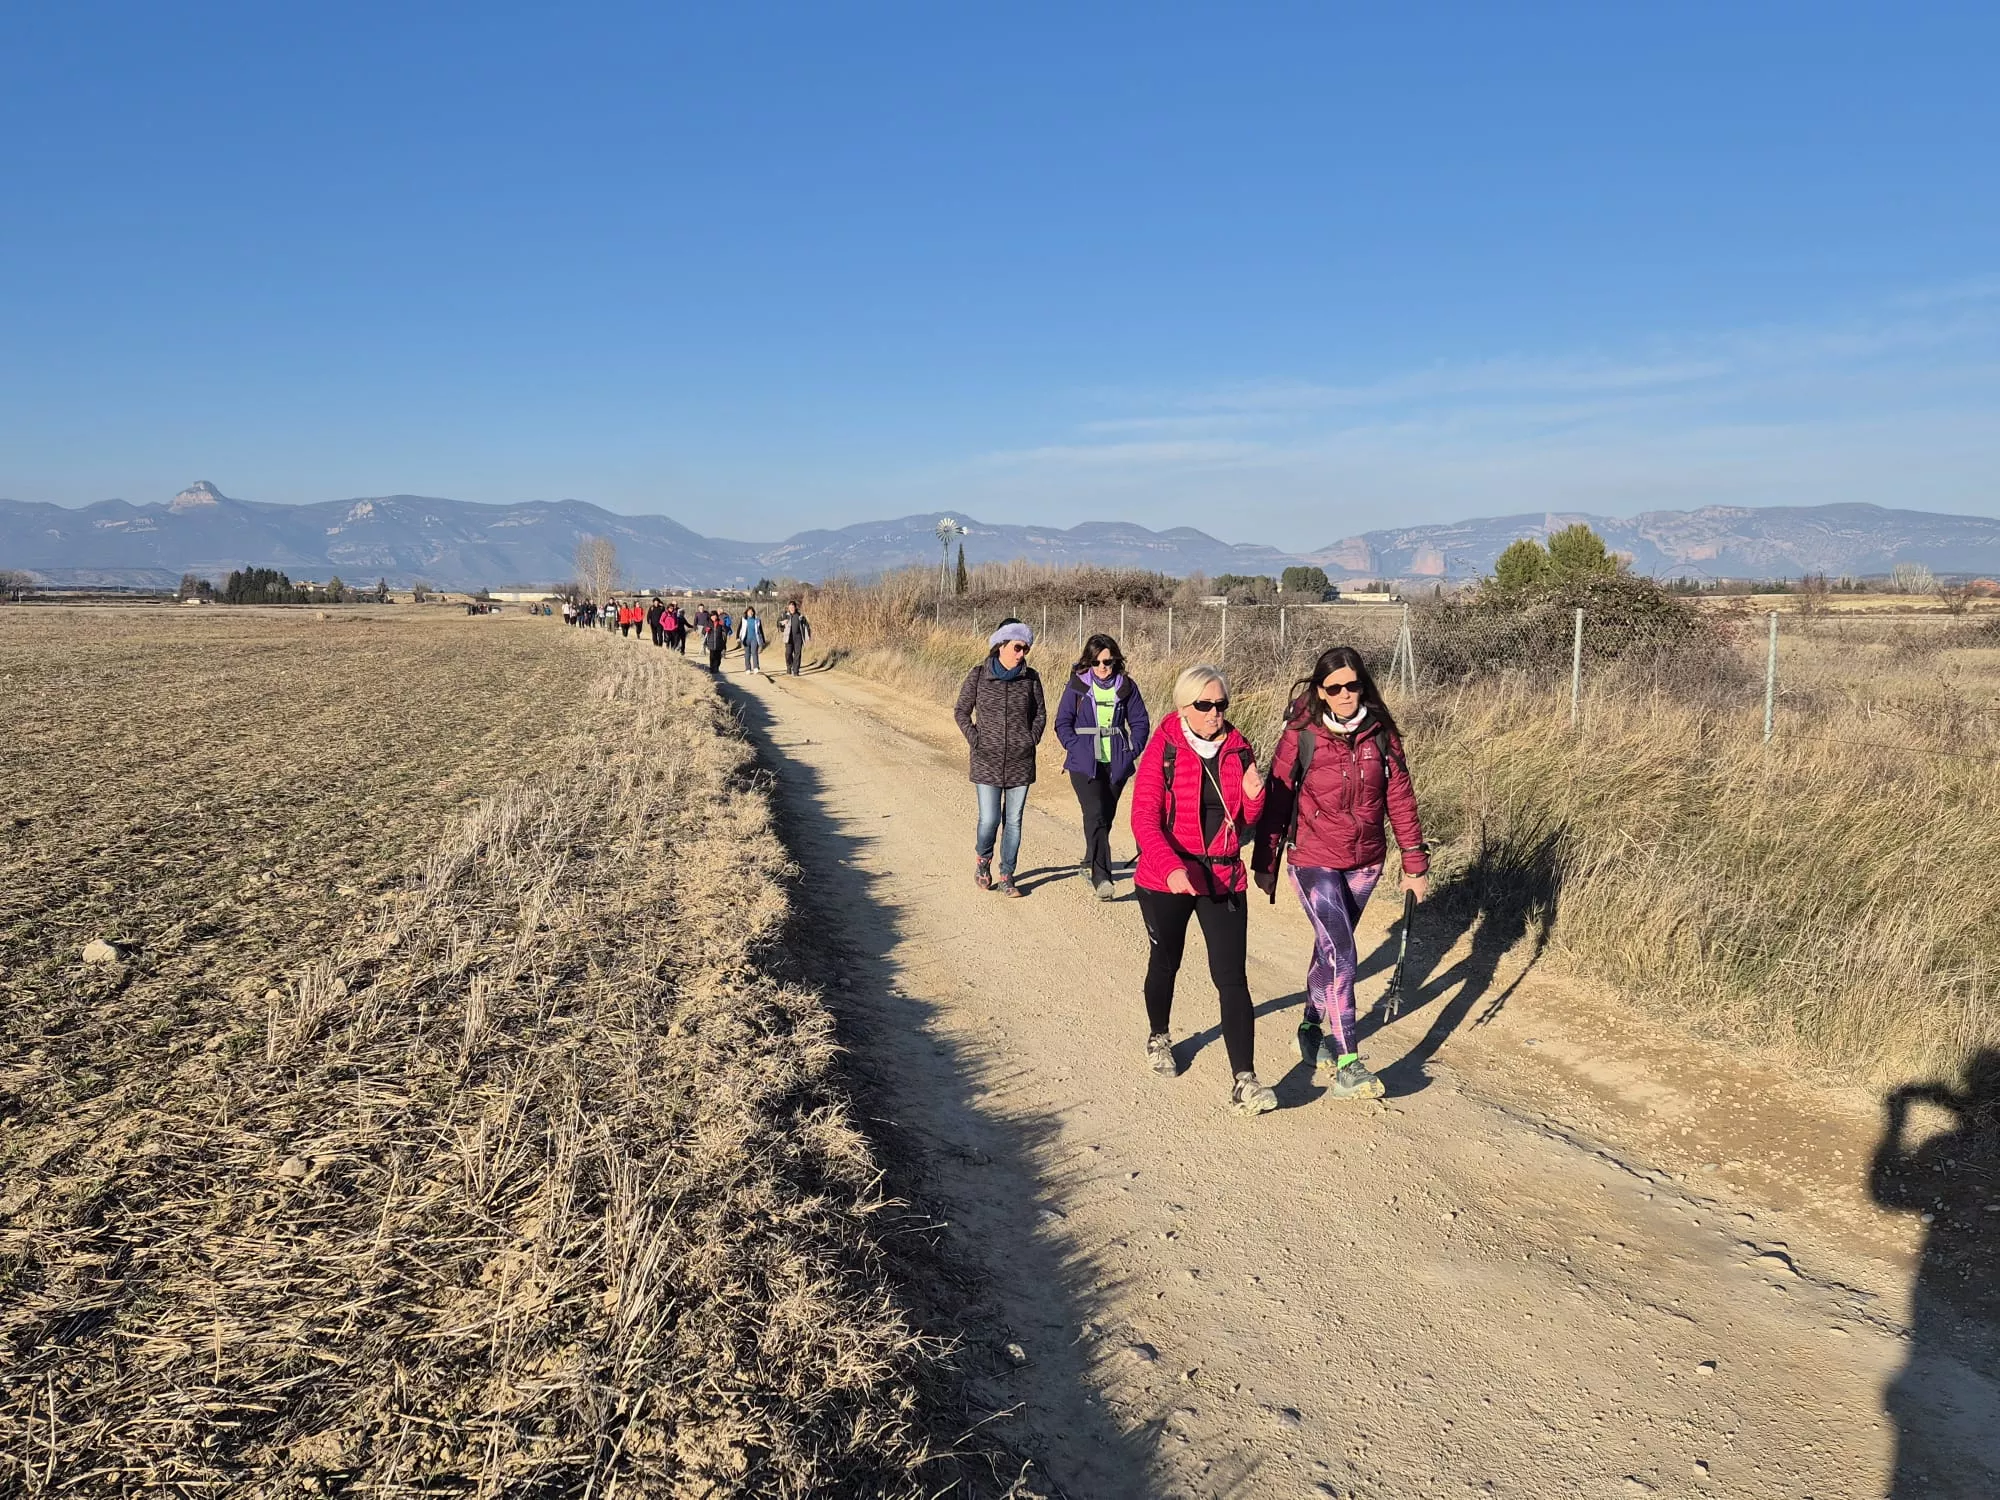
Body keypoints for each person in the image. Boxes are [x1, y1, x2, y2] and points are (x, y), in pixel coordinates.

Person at [1253, 645, 1429, 1102]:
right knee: (1344, 952)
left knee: (1330, 949)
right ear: (1320, 691)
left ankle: (1310, 1028)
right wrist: (1266, 858)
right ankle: (1349, 1061)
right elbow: (1278, 793)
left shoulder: (1380, 732)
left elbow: (1401, 799)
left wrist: (1415, 862)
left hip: (1366, 859)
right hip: (1312, 857)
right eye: (1335, 688)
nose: (1346, 694)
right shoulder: (1302, 732)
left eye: (1353, 685)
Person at [1130, 664, 1276, 1116]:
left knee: (1232, 977)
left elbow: (1249, 820)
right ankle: (1159, 1037)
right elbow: (1143, 819)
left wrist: (1255, 796)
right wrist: (1172, 868)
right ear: (1183, 706)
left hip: (1223, 878)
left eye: (1221, 705)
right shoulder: (1164, 747)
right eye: (1205, 705)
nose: (1216, 713)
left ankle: (1245, 1081)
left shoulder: (1238, 748)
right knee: (1166, 961)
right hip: (1166, 877)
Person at [953, 620, 1047, 898]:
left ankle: (1007, 875)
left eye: (1025, 649)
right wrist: (976, 739)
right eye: (1017, 647)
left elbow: (1040, 714)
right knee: (989, 819)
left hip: (1021, 761)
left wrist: (1030, 739)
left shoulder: (1031, 678)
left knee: (1014, 821)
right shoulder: (979, 675)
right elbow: (961, 711)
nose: (1022, 654)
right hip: (986, 761)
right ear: (1001, 645)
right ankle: (983, 861)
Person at [1053, 633, 1151, 900]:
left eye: (1107, 661)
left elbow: (1140, 722)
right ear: (1088, 662)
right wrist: (1075, 746)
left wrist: (1131, 750)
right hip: (1084, 763)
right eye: (1096, 662)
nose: (1102, 667)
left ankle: (1090, 857)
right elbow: (1062, 722)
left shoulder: (1126, 687)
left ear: (1116, 661)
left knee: (1105, 817)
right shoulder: (1077, 686)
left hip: (1116, 761)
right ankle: (1102, 877)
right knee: (1095, 812)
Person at [779, 599, 812, 675]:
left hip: (798, 638)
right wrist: (782, 623)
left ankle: (796, 670)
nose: (791, 609)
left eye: (793, 607)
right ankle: (789, 667)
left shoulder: (799, 616)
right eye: (790, 608)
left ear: (795, 608)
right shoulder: (785, 615)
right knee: (788, 653)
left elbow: (807, 625)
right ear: (788, 608)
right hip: (789, 638)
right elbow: (778, 623)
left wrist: (808, 636)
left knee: (797, 654)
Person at [739, 605, 767, 672]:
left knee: (754, 652)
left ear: (754, 612)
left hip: (754, 639)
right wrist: (737, 637)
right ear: (746, 613)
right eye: (749, 612)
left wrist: (763, 639)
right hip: (746, 639)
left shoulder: (757, 620)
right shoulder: (744, 620)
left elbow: (761, 630)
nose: (751, 613)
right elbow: (739, 628)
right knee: (747, 654)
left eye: (752, 612)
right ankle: (748, 668)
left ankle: (756, 667)